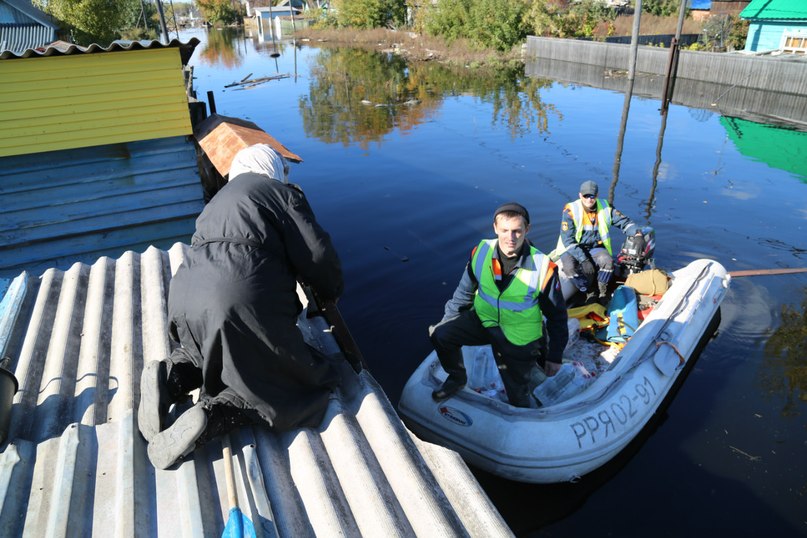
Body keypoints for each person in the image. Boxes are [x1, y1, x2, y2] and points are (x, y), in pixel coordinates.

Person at [138, 144, 344, 470]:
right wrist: (330, 290)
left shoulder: (216, 201)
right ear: (272, 171)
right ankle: (213, 416)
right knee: (283, 381)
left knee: (209, 353)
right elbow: (317, 255)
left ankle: (171, 378)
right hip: (235, 296)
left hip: (185, 294)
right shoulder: (281, 193)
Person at [429, 203, 568, 408]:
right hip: (484, 321)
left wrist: (555, 356)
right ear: (495, 228)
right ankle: (457, 378)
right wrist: (448, 321)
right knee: (439, 334)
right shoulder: (481, 251)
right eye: (504, 230)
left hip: (519, 336)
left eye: (516, 231)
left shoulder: (543, 267)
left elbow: (557, 316)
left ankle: (521, 411)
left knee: (517, 391)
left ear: (526, 230)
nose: (510, 238)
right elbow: (464, 293)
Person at [554, 180, 642, 304]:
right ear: (580, 195)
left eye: (592, 196)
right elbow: (568, 240)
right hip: (572, 248)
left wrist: (636, 232)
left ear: (597, 195)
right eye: (586, 196)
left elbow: (624, 222)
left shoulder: (606, 207)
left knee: (608, 262)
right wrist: (583, 260)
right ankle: (588, 290)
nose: (589, 199)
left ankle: (601, 291)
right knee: (569, 268)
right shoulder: (570, 210)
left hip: (595, 246)